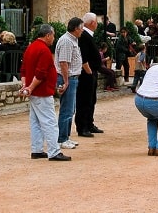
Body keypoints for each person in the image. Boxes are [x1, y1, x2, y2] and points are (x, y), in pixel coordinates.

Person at [20, 23, 70, 161]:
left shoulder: (31, 47)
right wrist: (30, 87)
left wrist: (26, 86)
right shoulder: (44, 50)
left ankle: (37, 149)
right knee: (49, 122)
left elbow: (23, 69)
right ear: (48, 35)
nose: (54, 38)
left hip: (34, 91)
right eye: (53, 35)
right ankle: (54, 151)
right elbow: (40, 74)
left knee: (35, 121)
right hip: (41, 91)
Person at [55, 17, 84, 149]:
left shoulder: (73, 40)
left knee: (70, 109)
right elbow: (63, 63)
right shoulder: (67, 41)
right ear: (76, 28)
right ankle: (62, 138)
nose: (82, 31)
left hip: (72, 78)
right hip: (68, 78)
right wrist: (66, 81)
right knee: (66, 109)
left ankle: (66, 136)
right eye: (81, 28)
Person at [75, 12, 104, 138]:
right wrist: (89, 71)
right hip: (86, 73)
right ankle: (83, 126)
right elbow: (83, 56)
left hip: (91, 72)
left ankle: (89, 123)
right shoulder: (84, 36)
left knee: (91, 99)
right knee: (84, 99)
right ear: (92, 23)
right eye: (96, 22)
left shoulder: (88, 35)